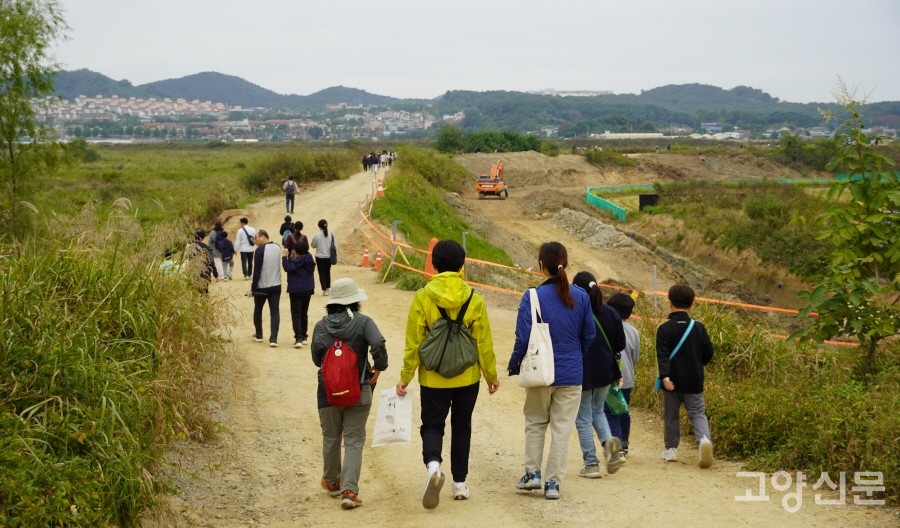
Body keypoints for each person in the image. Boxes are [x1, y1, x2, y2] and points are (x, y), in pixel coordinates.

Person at [396, 240, 500, 509]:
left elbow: (414, 342)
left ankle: (433, 467)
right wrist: (491, 375)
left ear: (434, 264)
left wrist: (406, 376)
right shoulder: (474, 298)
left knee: (432, 424)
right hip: (468, 377)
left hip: (433, 376)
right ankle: (460, 484)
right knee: (462, 425)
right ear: (462, 265)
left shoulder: (422, 296)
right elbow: (483, 343)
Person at [507, 242, 595, 500]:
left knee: (535, 423)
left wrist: (514, 364)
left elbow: (522, 337)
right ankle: (553, 484)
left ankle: (532, 474)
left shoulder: (532, 296)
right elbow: (589, 335)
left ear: (541, 265)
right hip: (571, 374)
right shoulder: (581, 296)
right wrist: (574, 357)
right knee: (562, 429)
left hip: (539, 371)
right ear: (564, 263)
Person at [311, 278, 388, 510]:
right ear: (355, 301)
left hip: (328, 393)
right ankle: (349, 491)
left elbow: (317, 359)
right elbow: (378, 343)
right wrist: (379, 367)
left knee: (331, 437)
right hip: (359, 390)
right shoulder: (364, 322)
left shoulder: (321, 326)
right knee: (354, 440)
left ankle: (332, 482)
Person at [571, 272, 625, 479]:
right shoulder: (611, 313)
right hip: (606, 370)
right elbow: (620, 344)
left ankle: (591, 463)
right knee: (598, 410)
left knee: (583, 417)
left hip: (583, 370)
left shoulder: (575, 313)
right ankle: (609, 443)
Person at [656, 284, 715, 468]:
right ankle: (704, 441)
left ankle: (671, 450)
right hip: (694, 380)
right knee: (698, 414)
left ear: (670, 303)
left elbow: (662, 355)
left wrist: (665, 376)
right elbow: (708, 352)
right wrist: (698, 364)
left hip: (671, 381)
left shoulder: (664, 328)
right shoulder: (698, 327)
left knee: (671, 416)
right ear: (691, 304)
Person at [606, 292, 640, 457]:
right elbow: (635, 357)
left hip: (610, 376)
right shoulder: (634, 331)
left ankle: (616, 444)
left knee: (611, 410)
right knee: (624, 410)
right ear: (630, 312)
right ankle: (624, 444)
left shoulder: (608, 327)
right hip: (627, 377)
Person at [250, 230, 281, 347]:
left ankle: (259, 334)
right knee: (275, 311)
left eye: (256, 238)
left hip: (262, 287)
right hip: (276, 285)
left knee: (258, 309)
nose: (255, 240)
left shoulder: (259, 251)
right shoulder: (278, 247)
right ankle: (273, 339)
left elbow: (257, 271)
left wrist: (253, 288)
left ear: (263, 237)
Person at [282, 239, 316, 348]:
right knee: (304, 312)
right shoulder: (309, 257)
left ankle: (298, 338)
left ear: (296, 251)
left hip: (296, 289)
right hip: (308, 289)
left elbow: (287, 268)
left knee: (296, 313)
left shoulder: (296, 261)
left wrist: (284, 256)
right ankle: (304, 336)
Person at [310, 219, 336, 296]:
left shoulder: (317, 235)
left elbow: (313, 245)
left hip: (320, 257)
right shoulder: (331, 234)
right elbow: (335, 246)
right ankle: (328, 288)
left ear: (319, 226)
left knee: (322, 273)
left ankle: (324, 289)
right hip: (328, 257)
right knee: (327, 272)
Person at [187, 229, 218, 293]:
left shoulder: (189, 247)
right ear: (203, 237)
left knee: (194, 292)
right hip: (205, 273)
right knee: (204, 292)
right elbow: (211, 261)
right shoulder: (205, 248)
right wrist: (215, 274)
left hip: (193, 273)